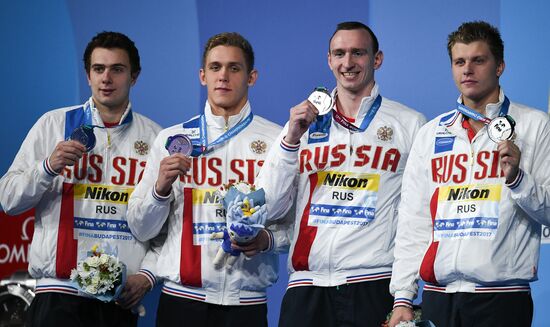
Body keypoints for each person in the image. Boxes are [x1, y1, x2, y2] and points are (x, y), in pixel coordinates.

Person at [256, 21, 426, 327]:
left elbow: (418, 218)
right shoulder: (303, 123)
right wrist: (290, 139)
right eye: (339, 53)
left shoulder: (409, 124)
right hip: (307, 286)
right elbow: (270, 205)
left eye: (358, 53)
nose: (348, 63)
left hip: (373, 282)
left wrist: (405, 293)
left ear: (377, 59)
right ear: (329, 60)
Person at [389, 21, 550, 327]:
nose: (468, 70)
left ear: (499, 65)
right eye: (459, 62)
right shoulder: (430, 134)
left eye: (479, 60)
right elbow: (413, 220)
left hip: (502, 297)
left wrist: (518, 179)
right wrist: (403, 296)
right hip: (439, 297)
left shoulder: (535, 125)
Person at [126, 32, 289, 327]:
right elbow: (140, 227)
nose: (223, 76)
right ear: (203, 76)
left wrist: (268, 240)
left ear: (252, 77)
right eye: (215, 67)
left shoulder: (278, 141)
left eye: (234, 68)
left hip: (246, 302)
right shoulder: (171, 140)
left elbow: (293, 223)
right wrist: (159, 189)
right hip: (181, 301)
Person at [0, 32, 162, 326]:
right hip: (58, 295)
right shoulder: (53, 124)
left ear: (134, 77)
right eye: (98, 69)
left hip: (118, 299)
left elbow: (168, 225)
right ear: (88, 75)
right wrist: (48, 167)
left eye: (117, 69)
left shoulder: (154, 138)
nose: (106, 78)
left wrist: (147, 275)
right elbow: (8, 199)